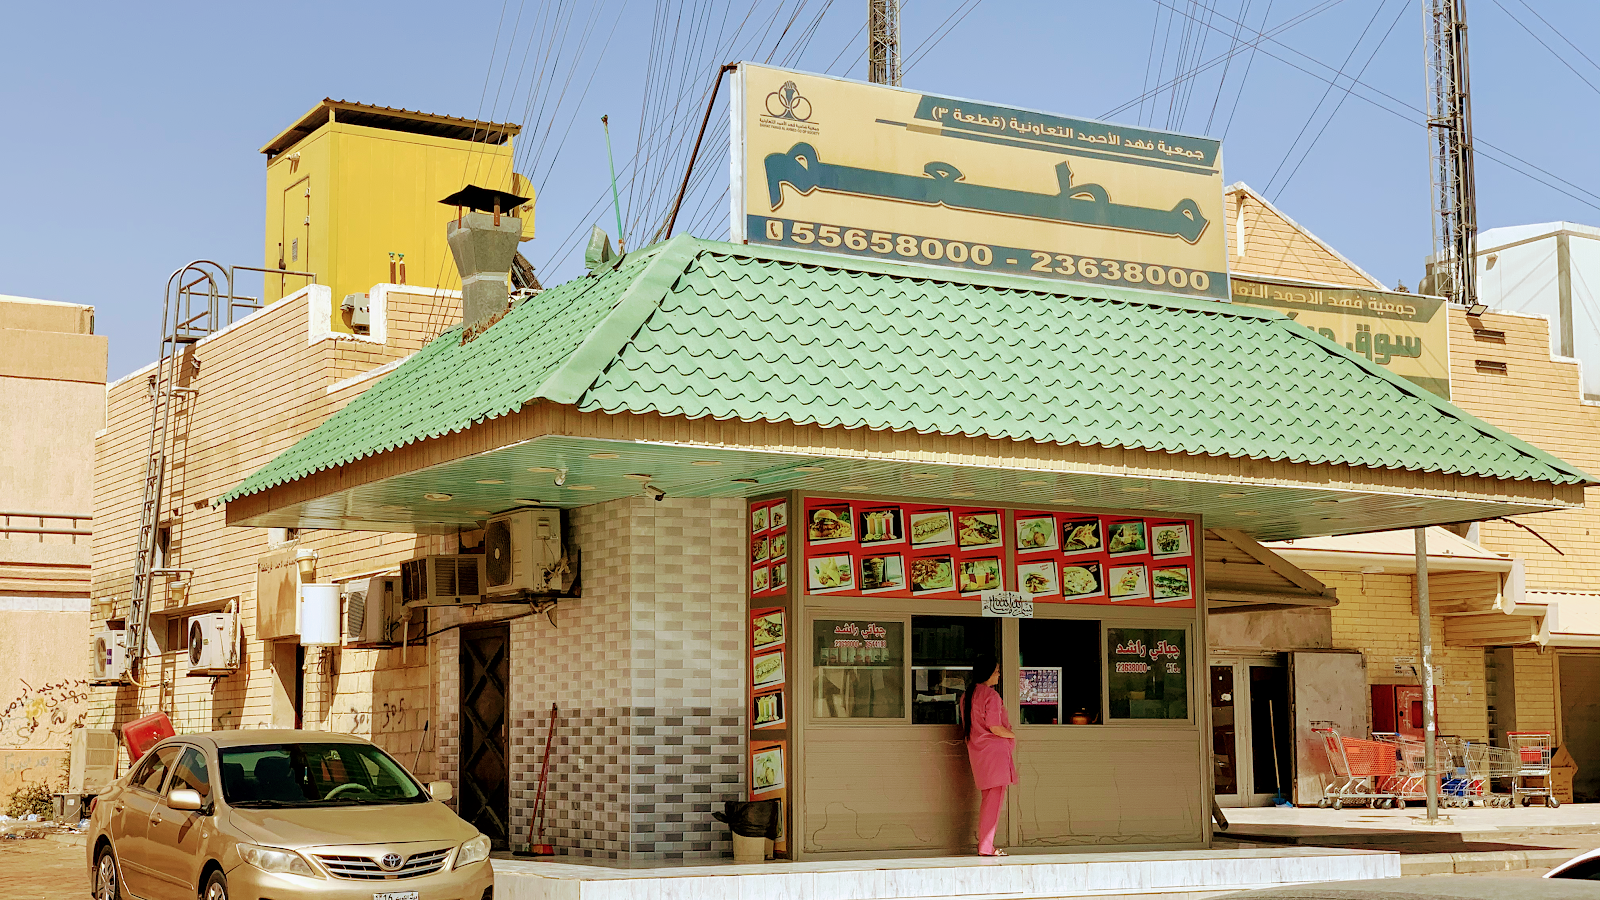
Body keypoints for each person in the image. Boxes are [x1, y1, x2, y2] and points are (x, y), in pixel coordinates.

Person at [962, 654, 1016, 856]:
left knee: (988, 800)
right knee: (993, 802)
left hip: (979, 754)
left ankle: (986, 845)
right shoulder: (991, 696)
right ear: (988, 673)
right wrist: (1012, 734)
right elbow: (994, 726)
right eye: (997, 671)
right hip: (995, 755)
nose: (999, 675)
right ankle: (986, 846)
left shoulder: (967, 696)